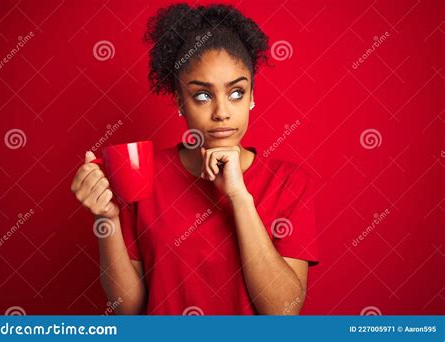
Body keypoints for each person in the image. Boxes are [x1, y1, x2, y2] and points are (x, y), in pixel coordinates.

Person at [71, 3, 319, 315]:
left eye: (236, 93)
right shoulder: (145, 174)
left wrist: (239, 196)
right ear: (179, 102)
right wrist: (106, 219)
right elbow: (128, 310)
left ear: (253, 95)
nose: (222, 112)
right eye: (202, 95)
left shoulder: (288, 183)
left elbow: (284, 313)